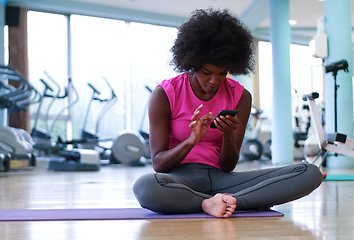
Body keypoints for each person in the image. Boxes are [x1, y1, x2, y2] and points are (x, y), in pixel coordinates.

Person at [132, 8, 323, 218]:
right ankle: (211, 203)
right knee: (145, 186)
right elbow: (159, 164)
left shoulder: (241, 96)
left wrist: (228, 135)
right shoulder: (164, 95)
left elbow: (228, 165)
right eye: (207, 73)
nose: (214, 81)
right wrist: (191, 140)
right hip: (180, 180)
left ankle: (225, 202)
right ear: (192, 64)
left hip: (225, 180)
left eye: (222, 73)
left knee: (310, 173)